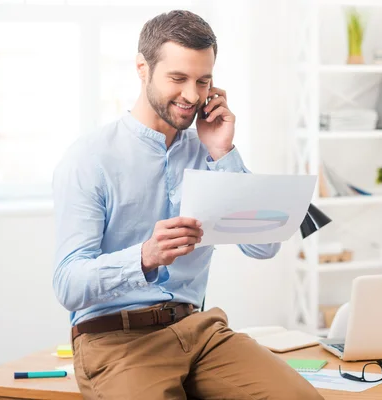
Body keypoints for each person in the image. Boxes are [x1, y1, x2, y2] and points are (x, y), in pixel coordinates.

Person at [52, 9, 323, 400]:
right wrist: (144, 256)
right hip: (116, 339)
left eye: (203, 80)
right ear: (142, 69)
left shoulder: (211, 151)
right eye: (177, 79)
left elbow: (263, 247)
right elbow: (68, 285)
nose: (192, 96)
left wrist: (223, 151)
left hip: (199, 330)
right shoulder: (90, 159)